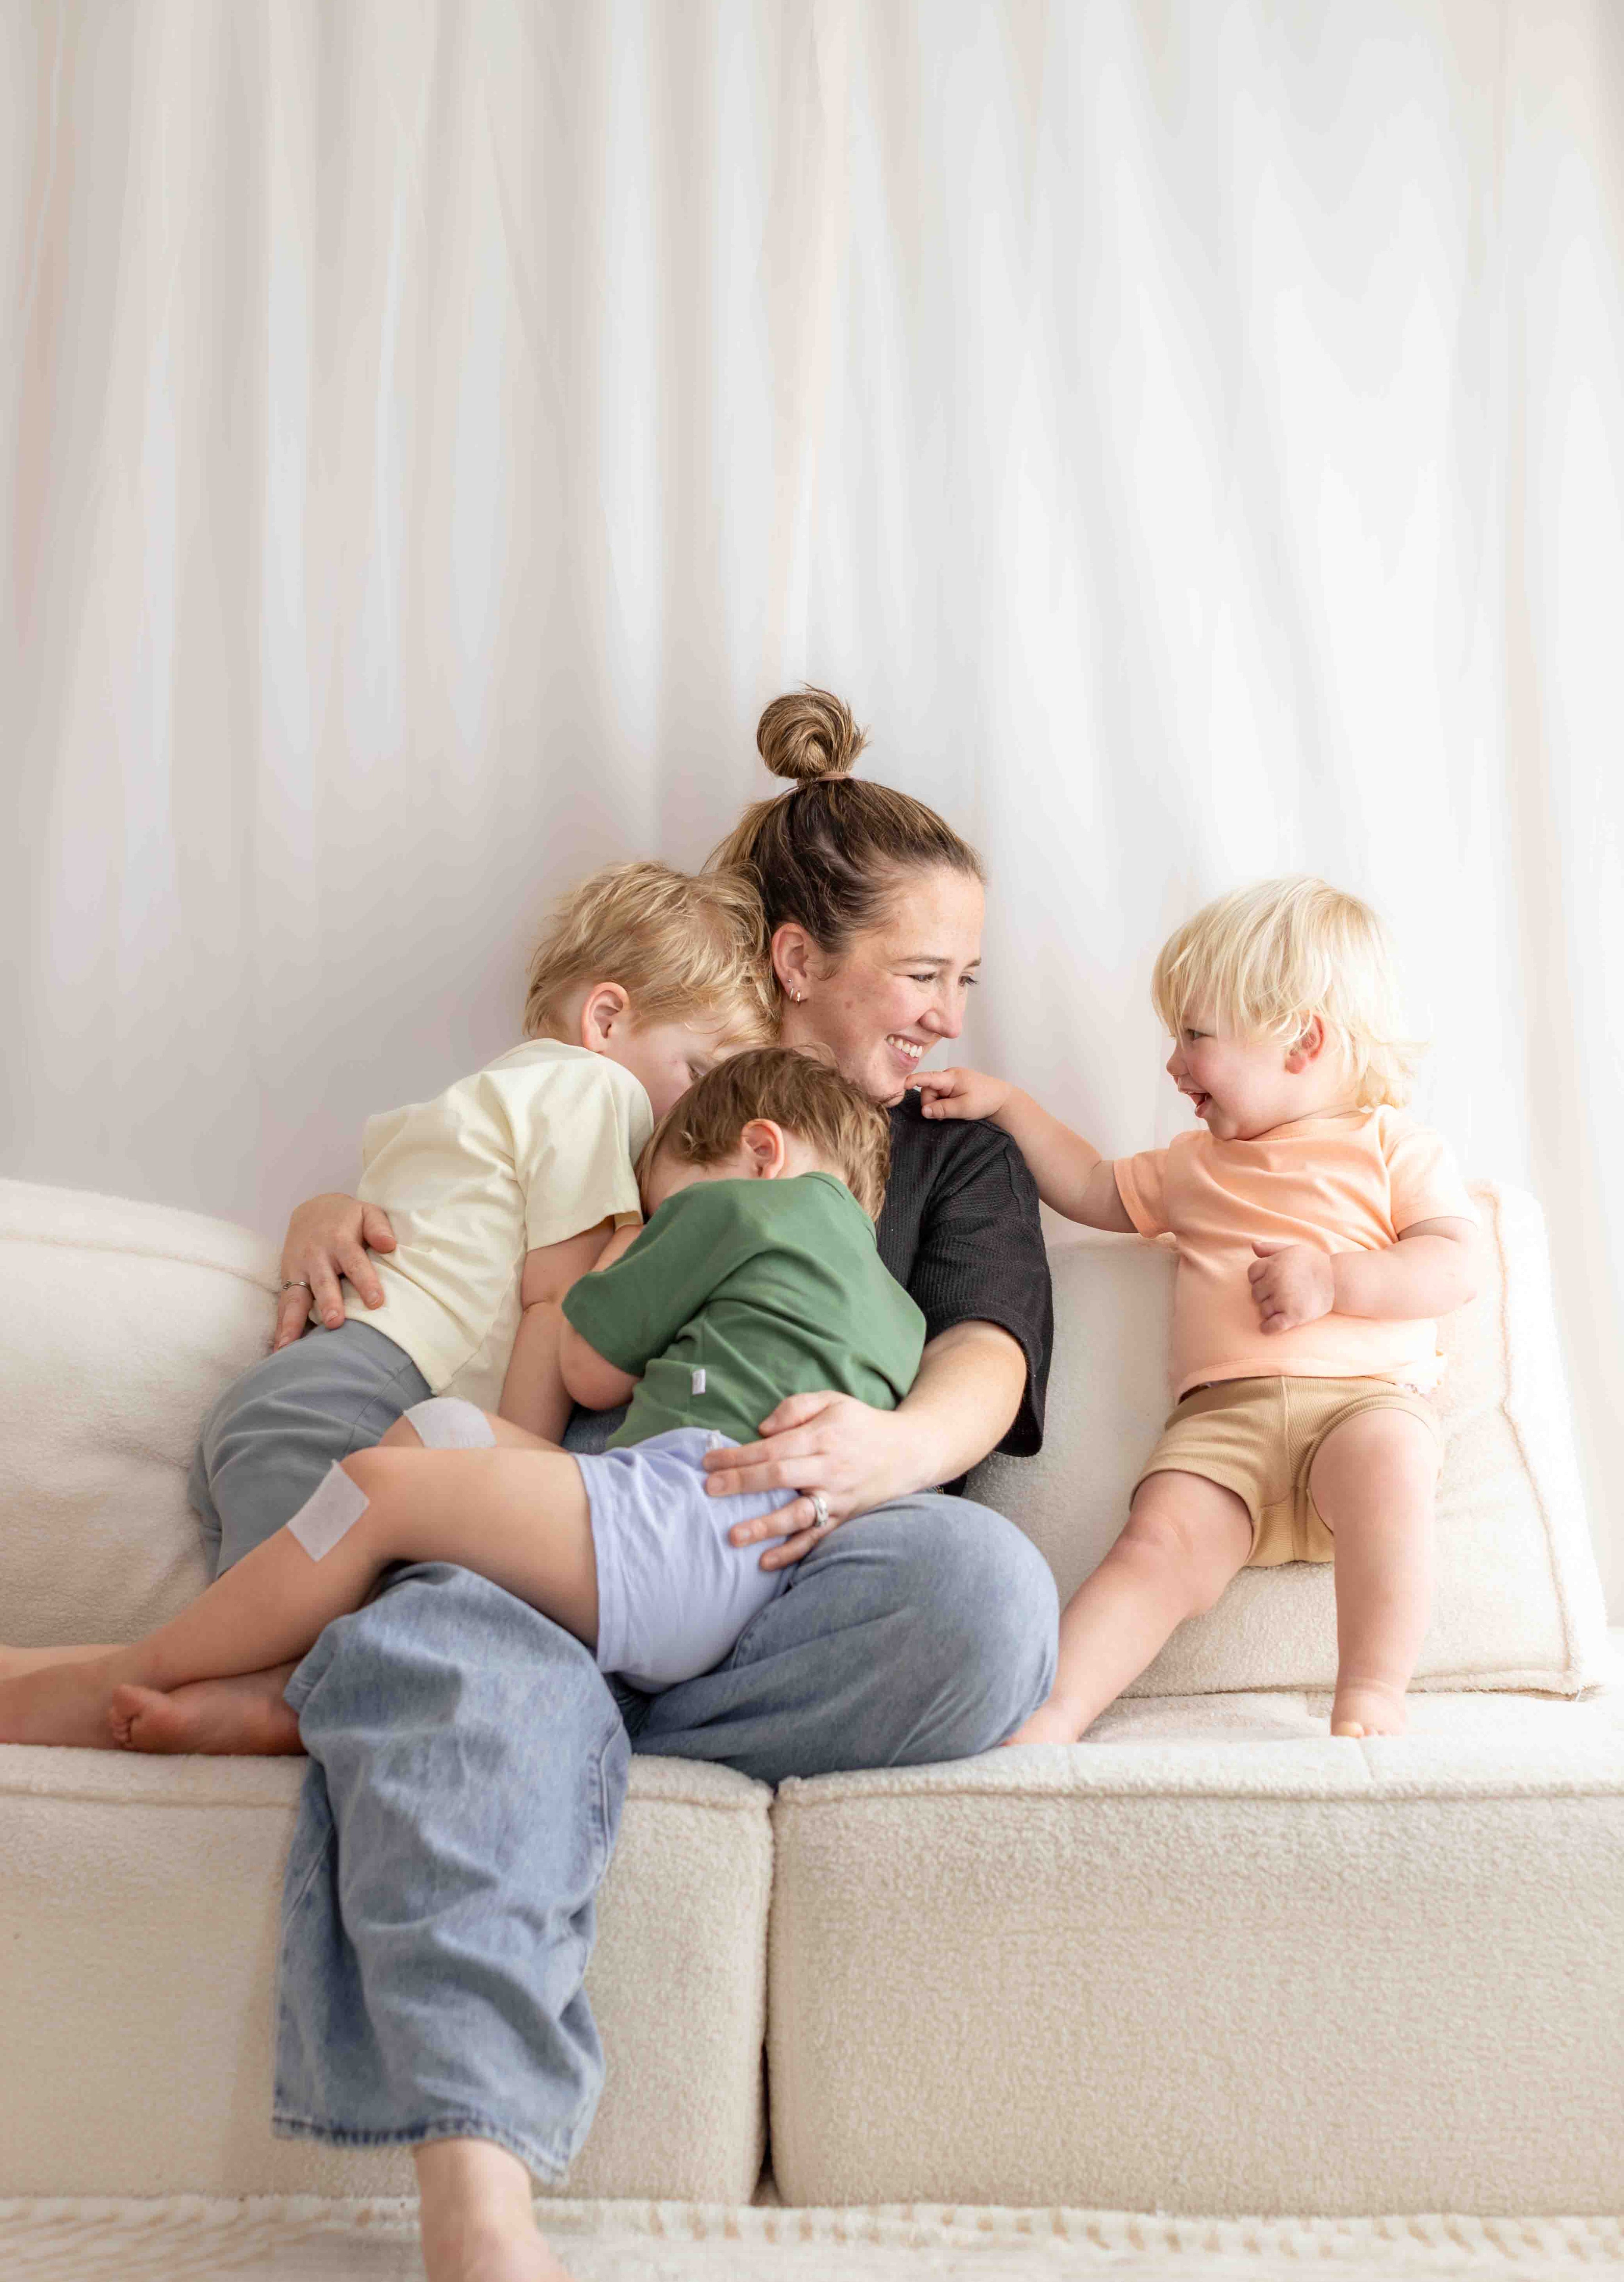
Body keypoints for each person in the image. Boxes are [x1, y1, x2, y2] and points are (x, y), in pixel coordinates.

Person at [49, 689, 1058, 2282]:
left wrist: (894, 1452)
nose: (947, 1017)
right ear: (799, 960)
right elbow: (483, 1206)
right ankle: (479, 2195)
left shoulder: (948, 1151)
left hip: (796, 1553)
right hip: (562, 1540)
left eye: (963, 985)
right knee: (464, 1628)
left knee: (988, 1598)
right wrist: (330, 1212)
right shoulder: (650, 1092)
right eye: (921, 975)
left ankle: (392, 1694)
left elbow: (987, 1356)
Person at [0, 1050, 926, 1746]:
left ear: (760, 1151)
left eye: (666, 1205)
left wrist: (628, 1243)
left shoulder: (746, 1207)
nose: (661, 1224)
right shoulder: (902, 1317)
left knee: (376, 1487)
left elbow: (590, 1369)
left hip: (677, 1522)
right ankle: (302, 1680)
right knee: (442, 1431)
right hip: (727, 1570)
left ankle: (138, 1668)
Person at [914, 874, 1479, 1747]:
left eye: (1195, 1036)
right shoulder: (1193, 1165)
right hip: (1223, 1426)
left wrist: (1336, 1281)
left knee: (1395, 1465)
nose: (1174, 1065)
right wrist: (1011, 1108)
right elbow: (1093, 1186)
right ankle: (1051, 1713)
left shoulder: (1390, 1146)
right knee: (1155, 1548)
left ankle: (1371, 1695)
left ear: (1300, 1042)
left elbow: (1454, 1265)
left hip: (1361, 1407)